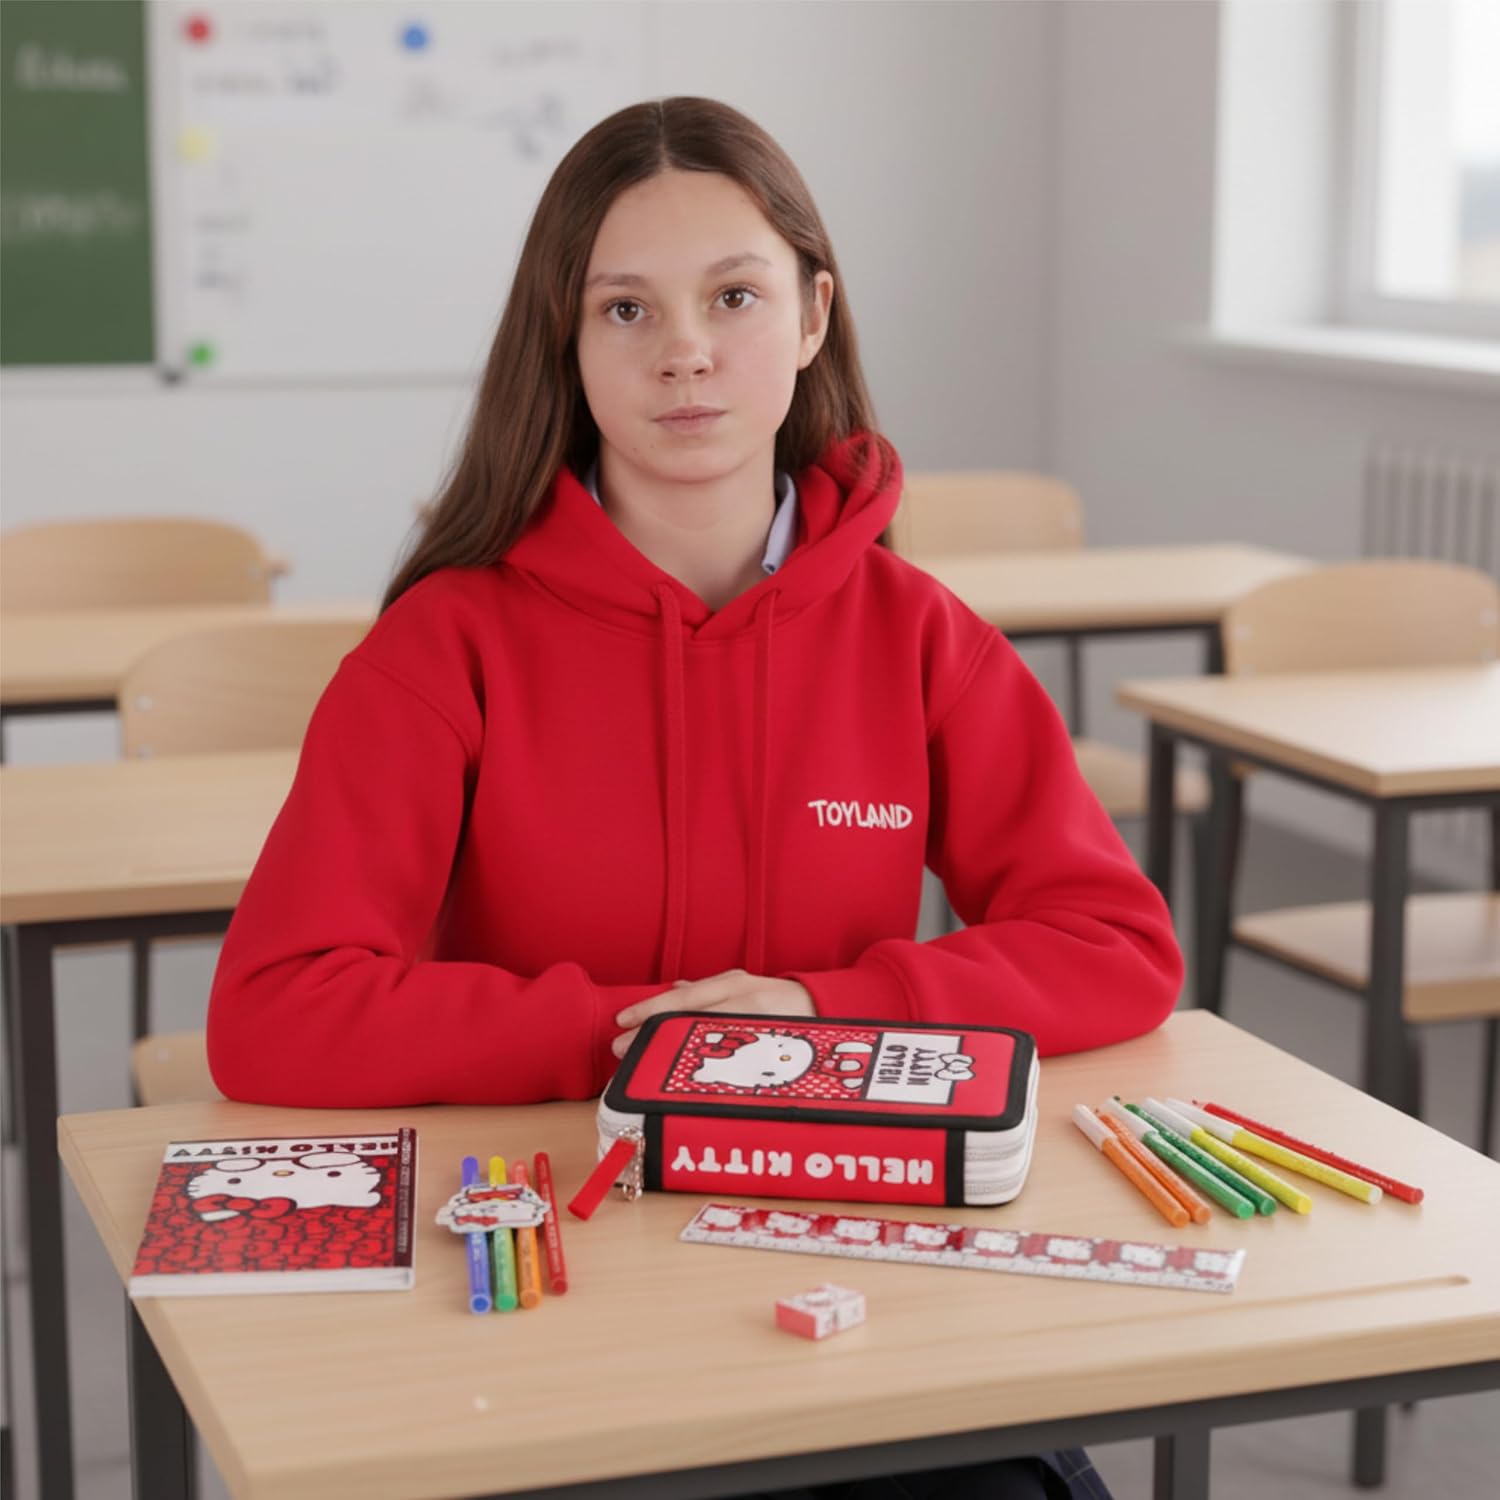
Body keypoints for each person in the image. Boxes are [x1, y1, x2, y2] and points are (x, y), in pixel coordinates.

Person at [208, 97, 1180, 1500]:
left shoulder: (917, 635)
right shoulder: (446, 645)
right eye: (624, 309)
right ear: (567, 338)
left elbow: (1116, 945)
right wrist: (641, 1037)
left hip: (852, 1276)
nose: (684, 350)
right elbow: (274, 1007)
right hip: (553, 1292)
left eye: (734, 294)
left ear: (809, 316)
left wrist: (807, 1023)